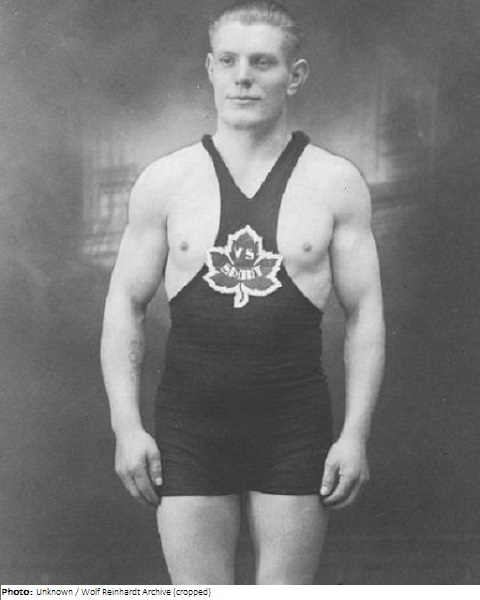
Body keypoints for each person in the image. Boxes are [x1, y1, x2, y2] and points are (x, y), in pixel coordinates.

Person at [101, 0, 385, 585]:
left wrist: (355, 434)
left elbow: (365, 315)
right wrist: (126, 427)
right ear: (210, 69)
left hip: (293, 425)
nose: (243, 77)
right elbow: (125, 305)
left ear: (295, 75)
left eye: (262, 62)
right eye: (228, 61)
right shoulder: (166, 181)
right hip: (189, 427)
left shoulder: (335, 182)